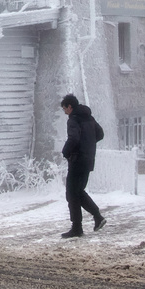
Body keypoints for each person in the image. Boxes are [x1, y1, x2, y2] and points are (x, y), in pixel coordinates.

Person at [59, 93, 106, 238]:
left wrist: (65, 152)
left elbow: (73, 138)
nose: (64, 112)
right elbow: (100, 134)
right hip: (88, 160)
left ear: (70, 106)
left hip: (77, 160)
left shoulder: (73, 119)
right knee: (78, 192)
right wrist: (88, 145)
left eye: (64, 108)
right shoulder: (88, 117)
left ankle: (78, 228)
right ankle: (96, 217)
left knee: (72, 193)